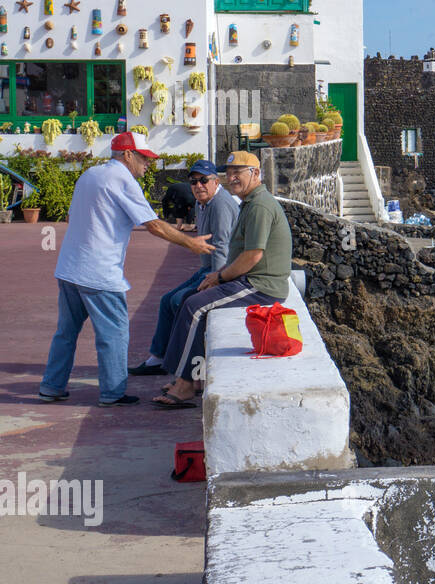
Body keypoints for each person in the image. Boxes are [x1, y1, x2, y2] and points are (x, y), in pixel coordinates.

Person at [38, 133, 215, 407]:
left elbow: (74, 216)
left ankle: (51, 387)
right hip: (99, 273)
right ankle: (113, 392)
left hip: (70, 268)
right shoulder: (122, 179)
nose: (148, 164)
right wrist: (190, 243)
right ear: (128, 154)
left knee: (66, 332)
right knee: (114, 334)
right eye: (144, 158)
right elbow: (153, 225)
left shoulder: (89, 175)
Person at [154, 151, 292, 409]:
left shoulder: (260, 206)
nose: (232, 178)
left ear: (256, 174)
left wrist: (219, 276)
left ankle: (184, 385)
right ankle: (193, 378)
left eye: (238, 172)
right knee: (187, 300)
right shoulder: (250, 203)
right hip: (247, 279)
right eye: (228, 173)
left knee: (194, 307)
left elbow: (253, 255)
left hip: (261, 286)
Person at [129, 160, 239, 377]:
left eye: (204, 180)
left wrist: (215, 279)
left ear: (216, 182)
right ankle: (158, 358)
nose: (199, 185)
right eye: (194, 181)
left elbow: (221, 246)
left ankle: (183, 367)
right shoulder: (202, 203)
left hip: (220, 270)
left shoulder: (220, 205)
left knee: (181, 301)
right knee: (166, 300)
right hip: (207, 268)